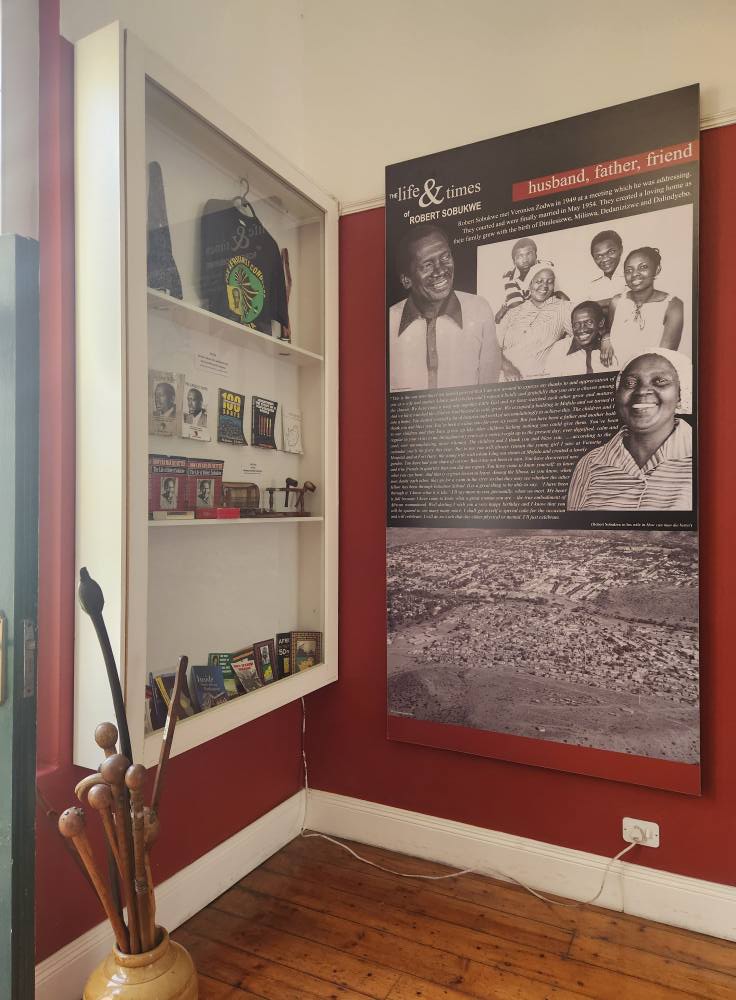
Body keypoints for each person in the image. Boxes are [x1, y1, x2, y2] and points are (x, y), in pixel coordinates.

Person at [567, 350, 692, 511]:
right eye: (630, 383)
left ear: (680, 395)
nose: (642, 391)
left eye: (660, 381)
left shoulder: (704, 461)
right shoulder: (589, 464)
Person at [389, 224, 501, 391]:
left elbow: (489, 390)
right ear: (406, 280)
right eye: (427, 265)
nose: (440, 270)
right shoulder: (388, 322)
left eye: (445, 257)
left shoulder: (479, 309)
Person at [497, 263, 580, 380]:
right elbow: (493, 346)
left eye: (550, 282)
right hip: (500, 373)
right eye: (539, 281)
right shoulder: (513, 312)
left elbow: (585, 332)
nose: (544, 286)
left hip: (533, 379)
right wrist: (507, 367)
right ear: (530, 284)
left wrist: (605, 338)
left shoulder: (564, 308)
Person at [608, 247, 684, 367]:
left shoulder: (672, 305)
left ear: (657, 270)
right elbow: (608, 332)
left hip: (648, 374)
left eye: (643, 267)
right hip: (612, 371)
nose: (634, 274)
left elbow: (664, 359)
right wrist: (605, 338)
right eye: (629, 270)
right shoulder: (617, 302)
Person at [494, 237, 560, 324]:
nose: (525, 260)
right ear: (514, 261)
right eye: (520, 256)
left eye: (529, 254)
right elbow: (518, 311)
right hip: (522, 317)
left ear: (536, 255)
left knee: (561, 297)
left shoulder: (546, 266)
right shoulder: (509, 277)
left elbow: (555, 296)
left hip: (546, 312)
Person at [545, 300, 619, 376]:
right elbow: (551, 380)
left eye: (589, 322)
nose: (582, 329)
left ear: (601, 323)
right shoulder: (561, 348)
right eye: (576, 325)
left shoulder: (611, 346)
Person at [582, 230, 627, 311]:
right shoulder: (592, 286)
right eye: (599, 256)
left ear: (621, 250)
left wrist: (596, 304)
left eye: (611, 252)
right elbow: (586, 310)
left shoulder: (632, 275)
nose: (605, 259)